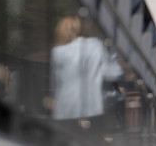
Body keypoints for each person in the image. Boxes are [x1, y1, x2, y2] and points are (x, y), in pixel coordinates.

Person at [49, 15, 122, 144]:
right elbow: (113, 73)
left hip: (64, 110)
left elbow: (54, 84)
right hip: (92, 107)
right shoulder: (95, 45)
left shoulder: (56, 52)